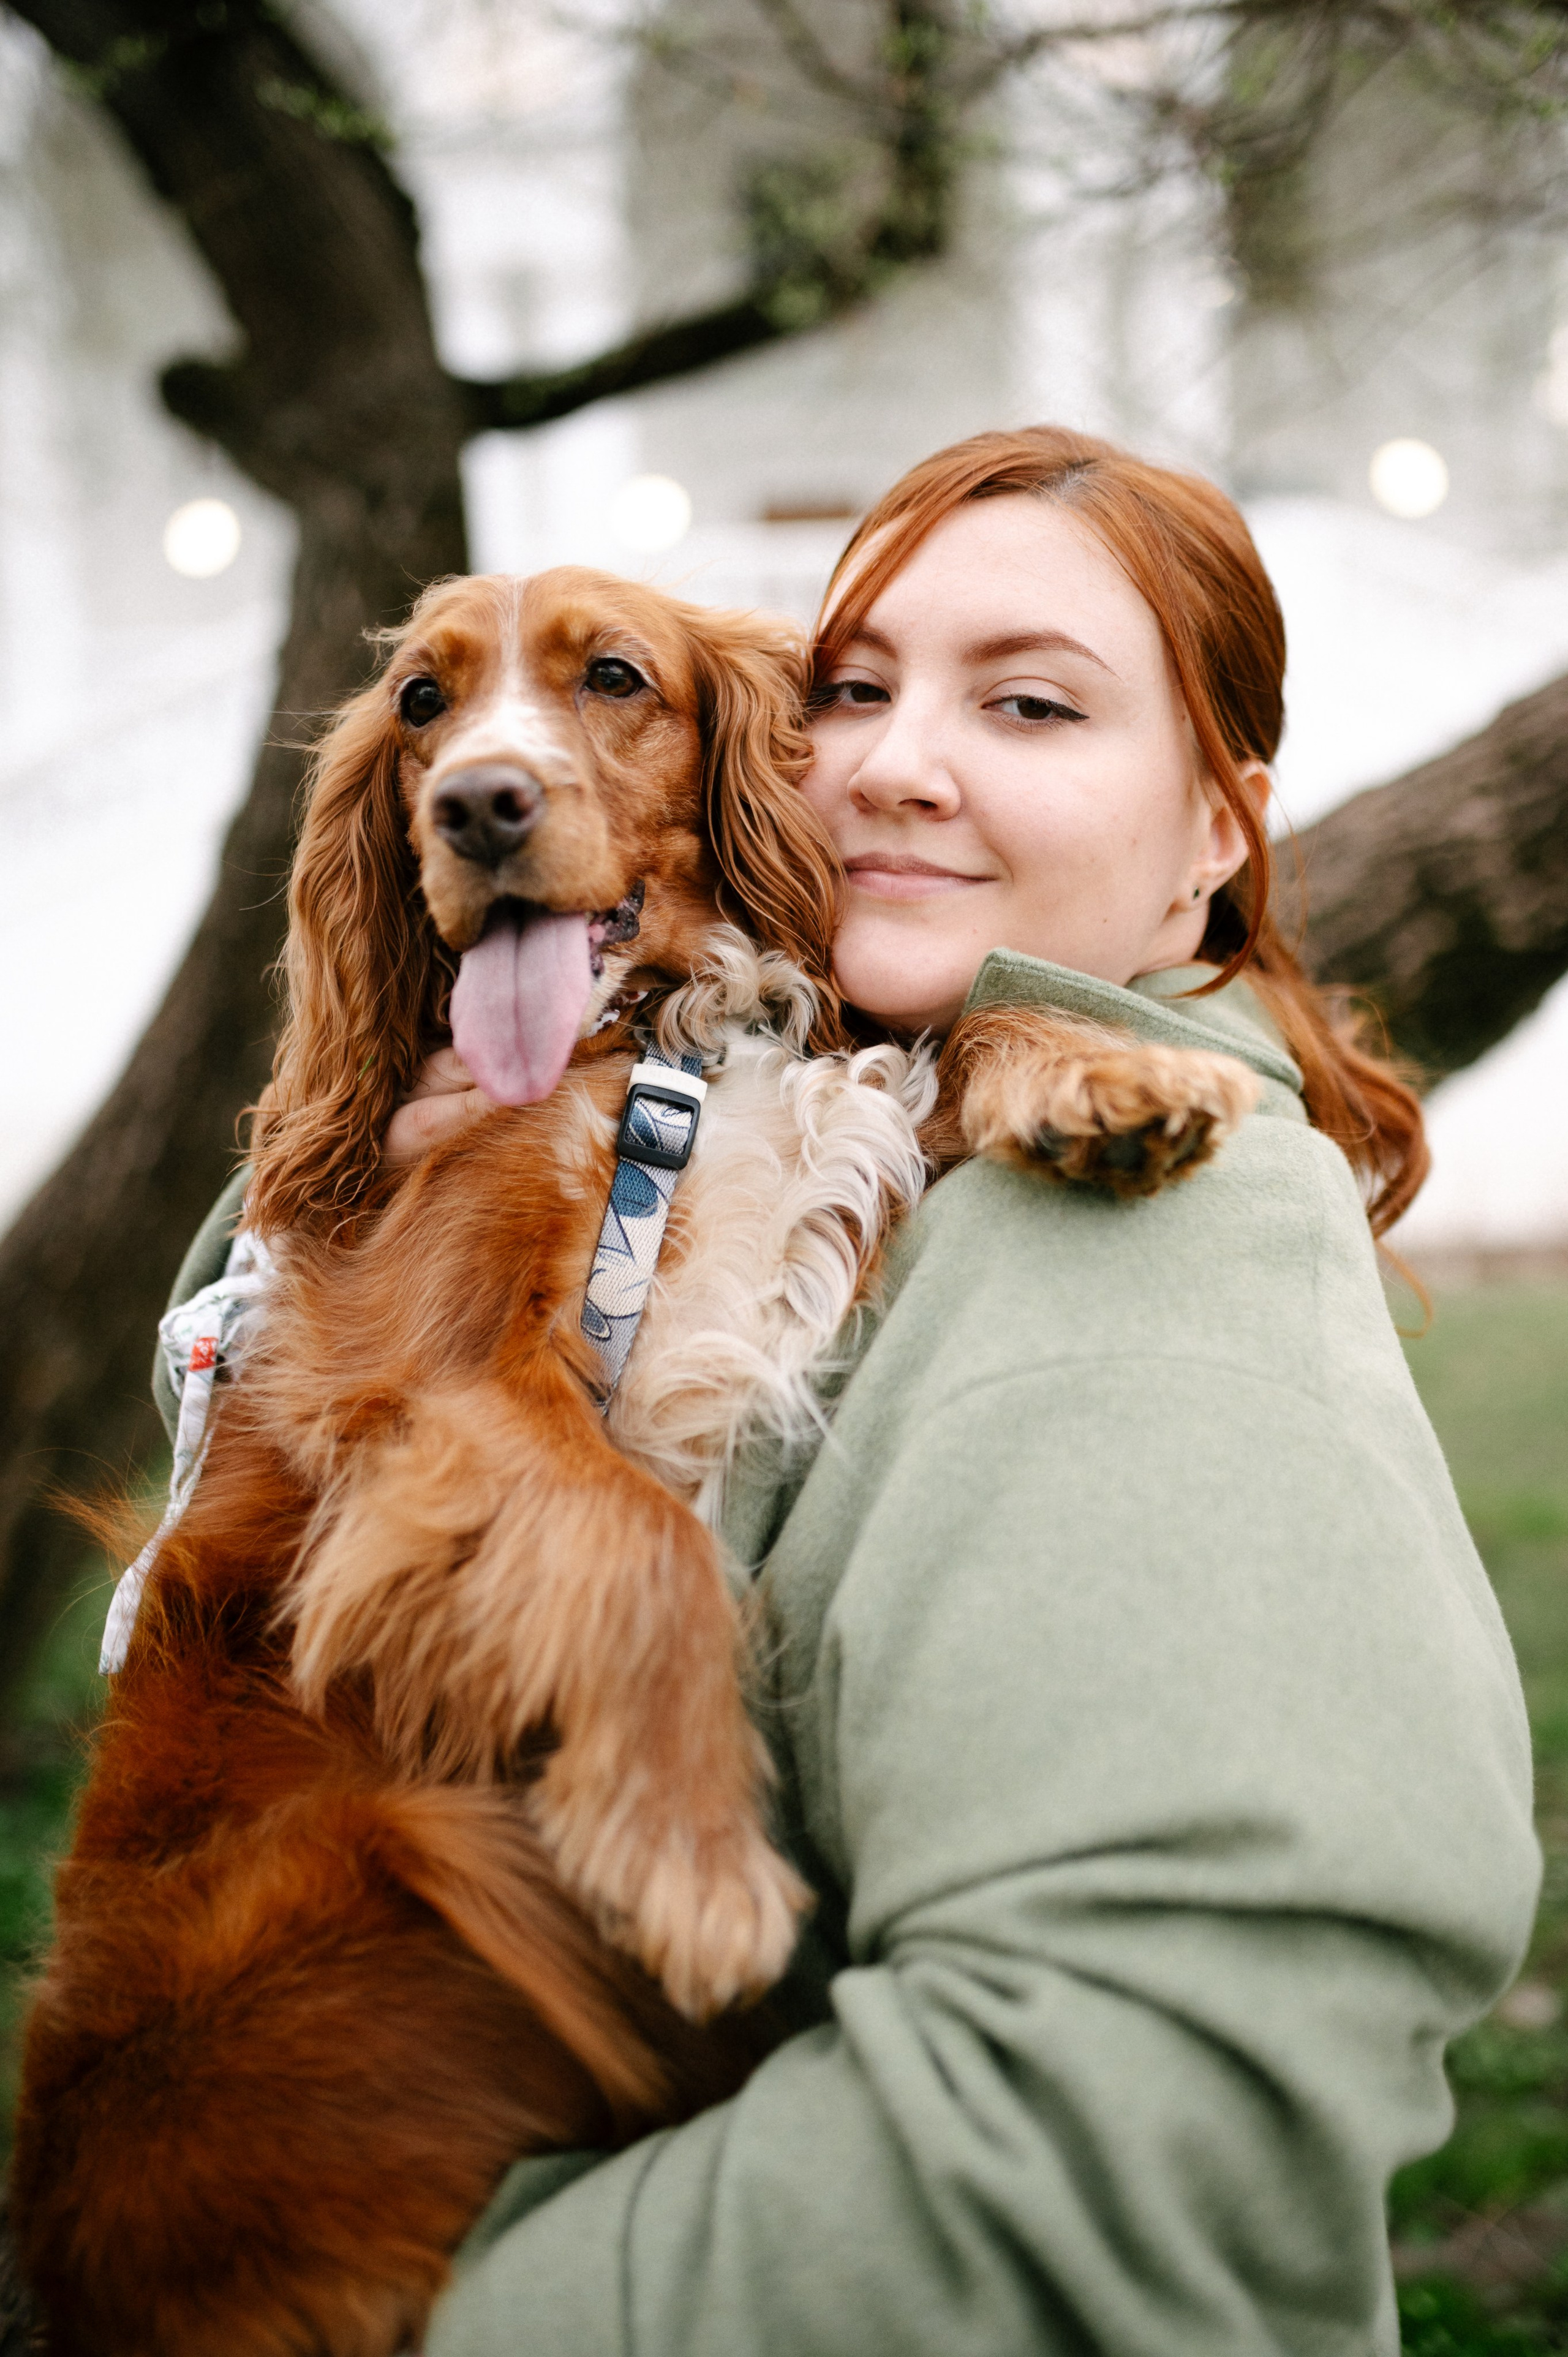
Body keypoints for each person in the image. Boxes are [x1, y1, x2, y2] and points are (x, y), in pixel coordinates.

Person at [154, 427, 1539, 2355]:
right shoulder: (816, 1092)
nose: (887, 763)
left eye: (1034, 703)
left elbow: (1136, 2129)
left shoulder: (1163, 1236)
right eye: (853, 692)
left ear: (1218, 832)